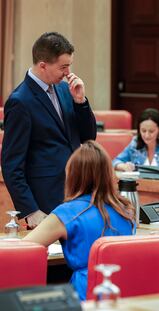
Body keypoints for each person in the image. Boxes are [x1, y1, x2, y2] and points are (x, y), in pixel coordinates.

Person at [1, 32, 96, 228]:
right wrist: (30, 210)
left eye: (69, 65)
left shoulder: (65, 89)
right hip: (45, 203)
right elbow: (11, 165)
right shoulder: (20, 101)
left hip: (78, 193)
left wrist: (80, 102)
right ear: (43, 65)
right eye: (63, 67)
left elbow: (89, 138)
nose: (68, 72)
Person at [24, 141, 136, 301]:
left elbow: (22, 248)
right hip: (123, 294)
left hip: (86, 294)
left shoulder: (67, 213)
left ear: (72, 175)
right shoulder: (125, 210)